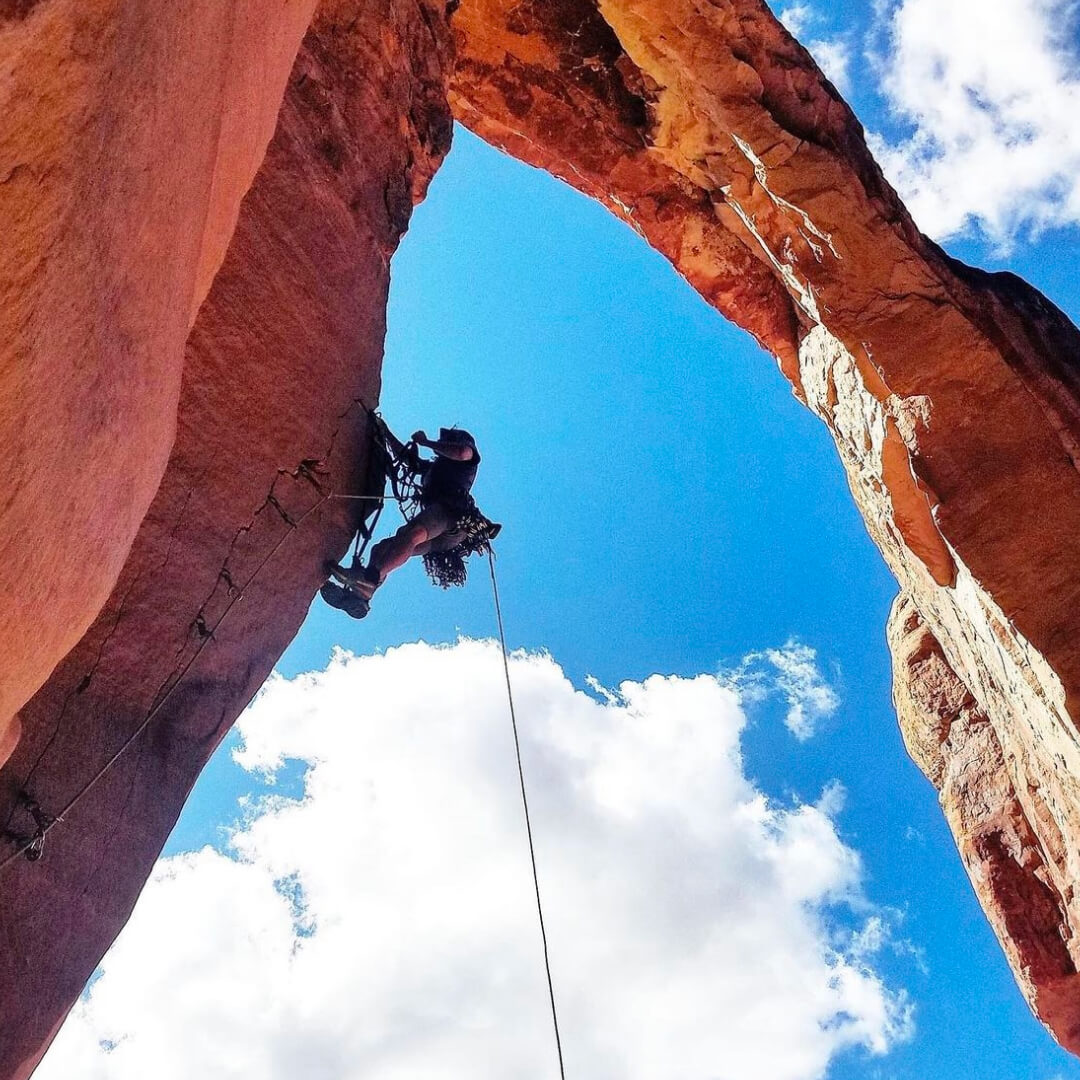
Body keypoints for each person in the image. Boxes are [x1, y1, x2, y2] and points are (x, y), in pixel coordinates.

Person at [322, 426, 498, 619]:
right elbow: (407, 459)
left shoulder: (467, 460)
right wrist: (385, 432)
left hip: (452, 515)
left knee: (413, 534)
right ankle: (361, 593)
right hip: (445, 536)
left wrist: (426, 442)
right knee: (382, 549)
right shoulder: (433, 469)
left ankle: (368, 580)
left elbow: (462, 452)